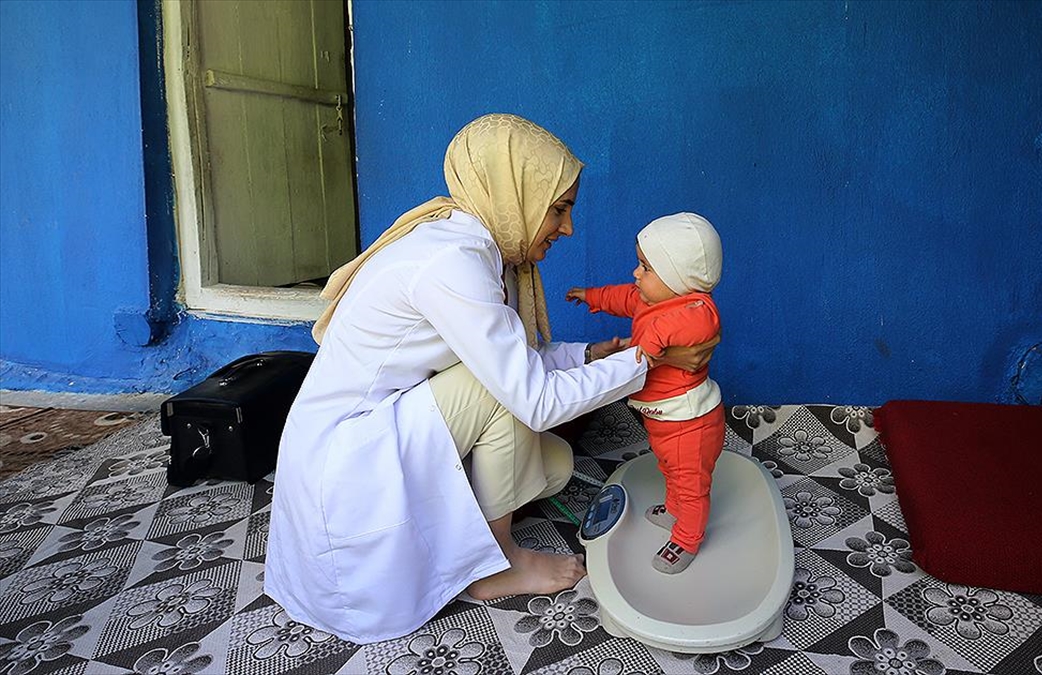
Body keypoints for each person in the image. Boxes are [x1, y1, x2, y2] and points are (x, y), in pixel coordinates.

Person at [263, 114, 714, 644]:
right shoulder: (453, 261)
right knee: (504, 397)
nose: (567, 228)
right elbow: (532, 398)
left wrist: (592, 354)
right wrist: (647, 360)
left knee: (553, 467)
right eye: (559, 209)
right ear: (516, 194)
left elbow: (514, 356)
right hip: (346, 463)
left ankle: (470, 532)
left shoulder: (477, 244)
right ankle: (497, 565)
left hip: (380, 428)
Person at [567, 212, 724, 574]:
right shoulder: (651, 299)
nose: (636, 273)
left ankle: (687, 538)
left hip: (690, 422)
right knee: (668, 468)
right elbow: (623, 296)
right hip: (663, 419)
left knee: (690, 484)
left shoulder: (697, 308)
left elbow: (696, 323)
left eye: (646, 268)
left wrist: (650, 345)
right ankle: (675, 511)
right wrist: (592, 296)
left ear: (679, 278)